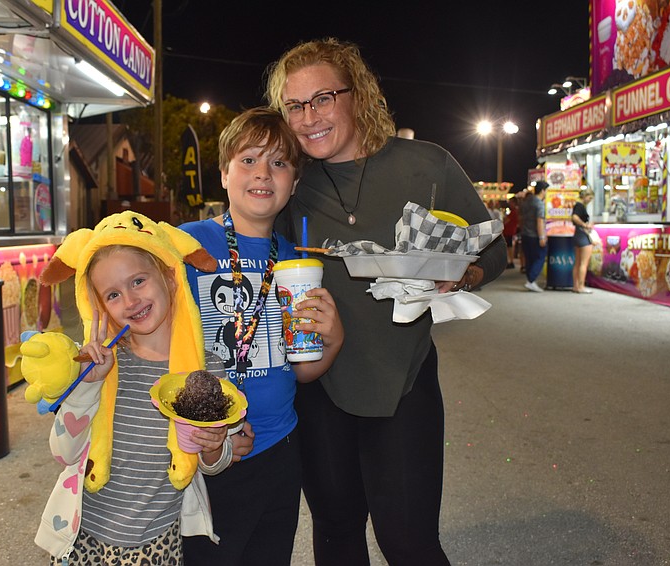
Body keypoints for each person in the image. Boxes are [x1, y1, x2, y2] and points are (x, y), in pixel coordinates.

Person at [265, 38, 506, 565]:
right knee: (335, 530)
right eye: (294, 105)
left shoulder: (426, 166)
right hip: (317, 383)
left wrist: (460, 274)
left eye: (322, 98)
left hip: (404, 379)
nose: (308, 118)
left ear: (358, 95)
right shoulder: (290, 182)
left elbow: (494, 249)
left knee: (409, 541)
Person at [180, 107, 345, 565]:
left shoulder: (296, 262)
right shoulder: (183, 245)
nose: (263, 174)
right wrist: (210, 435)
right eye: (249, 159)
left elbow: (303, 369)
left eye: (279, 163)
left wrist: (332, 341)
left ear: (293, 183)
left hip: (278, 449)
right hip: (209, 452)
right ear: (224, 173)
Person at [23, 212, 237, 565]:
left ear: (170, 276)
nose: (130, 300)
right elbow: (63, 452)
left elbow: (216, 462)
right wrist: (87, 388)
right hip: (83, 540)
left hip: (158, 545)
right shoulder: (100, 366)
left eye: (138, 281)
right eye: (113, 294)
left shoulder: (207, 369)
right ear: (100, 307)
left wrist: (214, 447)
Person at [520, 181, 548, 292]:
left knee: (529, 259)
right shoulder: (539, 204)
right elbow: (540, 221)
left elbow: (521, 217)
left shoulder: (527, 201)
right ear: (543, 190)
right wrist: (542, 237)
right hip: (535, 236)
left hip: (525, 234)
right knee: (540, 256)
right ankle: (531, 280)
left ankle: (530, 281)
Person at [570, 187, 595, 293]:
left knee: (578, 262)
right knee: (584, 263)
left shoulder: (577, 205)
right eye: (589, 198)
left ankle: (576, 286)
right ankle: (581, 286)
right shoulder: (580, 206)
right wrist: (585, 224)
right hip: (583, 234)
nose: (590, 200)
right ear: (585, 196)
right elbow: (574, 217)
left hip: (577, 234)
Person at [503, 195, 520, 268]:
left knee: (510, 247)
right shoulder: (515, 211)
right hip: (510, 231)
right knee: (510, 247)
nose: (509, 204)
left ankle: (511, 261)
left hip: (510, 232)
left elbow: (506, 221)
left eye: (510, 202)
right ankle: (511, 261)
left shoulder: (513, 211)